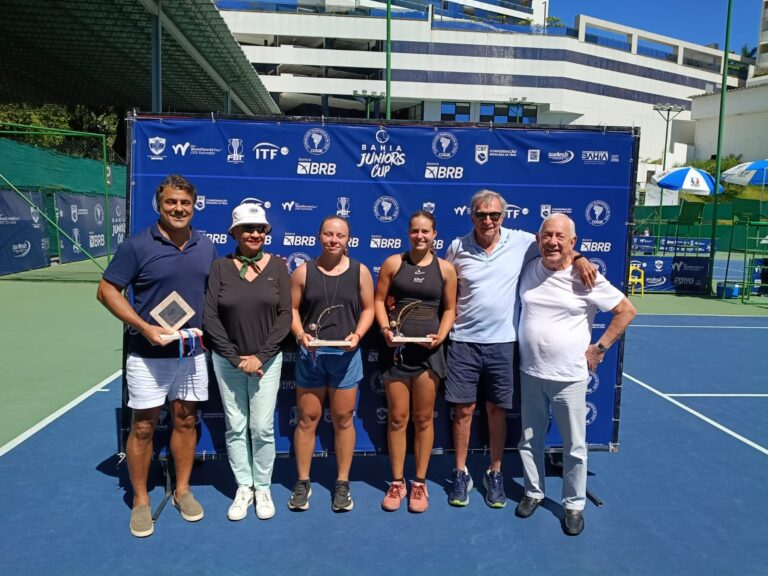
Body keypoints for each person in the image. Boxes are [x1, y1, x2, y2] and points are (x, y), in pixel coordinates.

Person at [444, 189, 595, 509]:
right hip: (463, 342)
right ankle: (460, 472)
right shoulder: (457, 247)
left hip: (504, 344)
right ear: (471, 216)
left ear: (503, 217)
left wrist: (579, 257)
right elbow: (443, 285)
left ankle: (495, 472)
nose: (488, 220)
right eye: (481, 214)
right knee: (463, 412)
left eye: (494, 215)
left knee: (497, 411)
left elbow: (556, 246)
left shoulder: (524, 241)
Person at [96, 174, 217, 537]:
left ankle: (182, 491)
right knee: (144, 427)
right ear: (158, 205)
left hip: (191, 354)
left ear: (194, 206)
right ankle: (140, 500)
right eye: (171, 203)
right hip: (147, 355)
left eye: (185, 203)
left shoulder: (206, 246)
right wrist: (144, 327)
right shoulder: (137, 246)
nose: (178, 209)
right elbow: (106, 291)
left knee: (184, 420)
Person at [515, 213, 636, 535]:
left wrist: (600, 347)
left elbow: (626, 310)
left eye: (560, 237)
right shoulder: (529, 267)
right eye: (547, 235)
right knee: (529, 440)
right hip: (530, 372)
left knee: (575, 447)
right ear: (539, 239)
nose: (552, 242)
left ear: (573, 242)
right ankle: (533, 492)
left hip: (569, 377)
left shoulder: (587, 277)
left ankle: (573, 505)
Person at [203, 201, 291, 521]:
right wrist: (234, 356)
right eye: (247, 229)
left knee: (262, 427)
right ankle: (245, 486)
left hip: (266, 362)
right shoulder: (220, 267)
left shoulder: (279, 267)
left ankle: (263, 485)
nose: (254, 233)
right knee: (236, 426)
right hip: (228, 362)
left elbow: (285, 317)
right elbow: (210, 315)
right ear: (235, 233)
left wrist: (260, 356)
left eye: (260, 229)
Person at [288, 215, 374, 512]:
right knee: (307, 420)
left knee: (343, 420)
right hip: (310, 358)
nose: (333, 240)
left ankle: (342, 483)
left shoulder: (361, 272)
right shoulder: (302, 272)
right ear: (319, 236)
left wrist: (358, 334)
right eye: (328, 234)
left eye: (339, 236)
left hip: (346, 359)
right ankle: (302, 482)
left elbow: (369, 309)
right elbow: (293, 310)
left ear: (348, 240)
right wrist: (300, 335)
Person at [374, 211, 457, 513]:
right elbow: (378, 301)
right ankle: (397, 482)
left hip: (429, 353)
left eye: (426, 231)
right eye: (415, 231)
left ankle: (419, 484)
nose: (420, 236)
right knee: (398, 418)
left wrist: (441, 335)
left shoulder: (445, 269)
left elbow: (449, 309)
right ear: (408, 233)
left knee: (423, 419)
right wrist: (385, 328)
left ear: (435, 234)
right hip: (397, 352)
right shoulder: (393, 264)